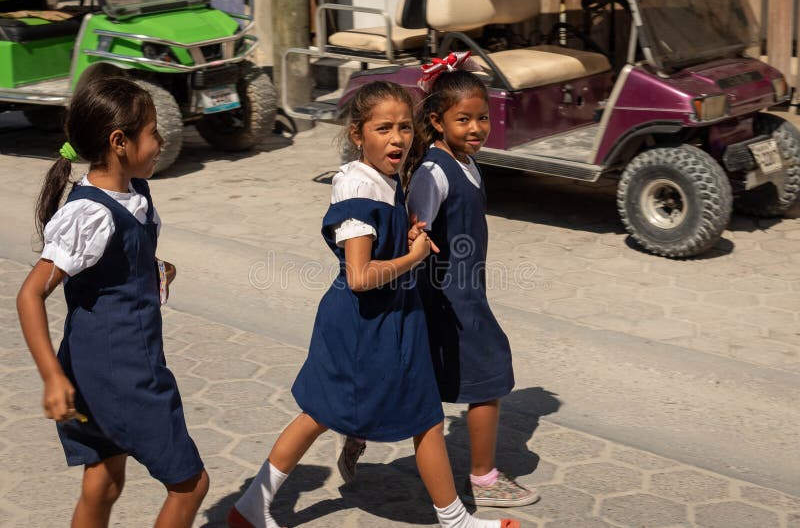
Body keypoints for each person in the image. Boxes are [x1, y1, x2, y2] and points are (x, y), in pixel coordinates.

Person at [227, 81, 519, 528]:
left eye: (404, 127)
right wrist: (413, 256)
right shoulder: (357, 193)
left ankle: (453, 519)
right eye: (383, 128)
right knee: (321, 415)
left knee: (417, 419)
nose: (397, 137)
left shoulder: (385, 180)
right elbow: (361, 277)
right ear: (357, 134)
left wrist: (406, 235)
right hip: (363, 326)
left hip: (394, 319)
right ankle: (251, 507)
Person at [339, 52, 539, 509]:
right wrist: (416, 238)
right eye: (463, 119)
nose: (476, 128)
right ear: (436, 120)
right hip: (447, 297)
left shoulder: (465, 162)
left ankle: (358, 430)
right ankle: (484, 480)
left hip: (463, 290)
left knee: (408, 378)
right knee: (489, 379)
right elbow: (415, 227)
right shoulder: (434, 170)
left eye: (482, 118)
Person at [16, 77, 209, 528]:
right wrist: (50, 378)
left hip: (96, 369)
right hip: (123, 375)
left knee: (102, 481)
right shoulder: (90, 213)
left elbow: (117, 264)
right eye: (154, 132)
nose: (162, 141)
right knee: (190, 484)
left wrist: (155, 269)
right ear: (119, 142)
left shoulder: (134, 192)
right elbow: (30, 294)